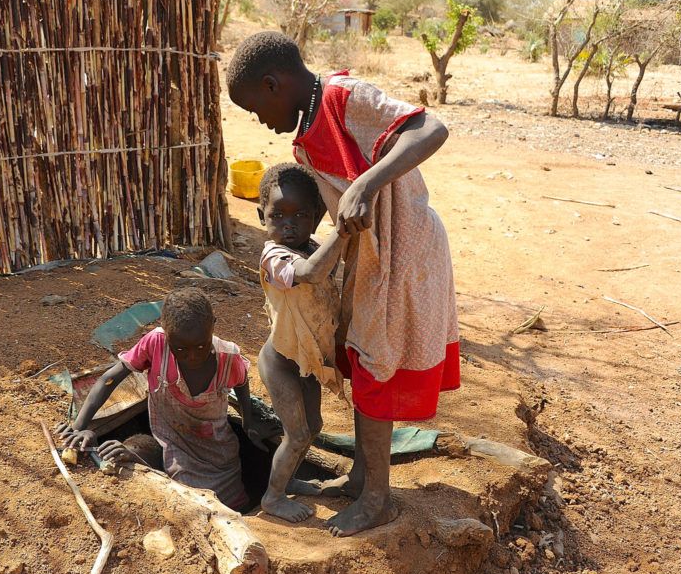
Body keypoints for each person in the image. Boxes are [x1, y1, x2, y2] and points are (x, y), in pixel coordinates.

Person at [227, 31, 461, 537]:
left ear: (273, 84)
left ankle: (378, 498)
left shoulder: (342, 98)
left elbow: (432, 129)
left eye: (254, 108)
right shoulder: (303, 143)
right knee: (363, 357)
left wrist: (366, 182)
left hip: (409, 250)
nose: (259, 121)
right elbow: (344, 227)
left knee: (376, 364)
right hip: (374, 260)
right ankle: (361, 478)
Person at [56, 288, 257, 511]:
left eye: (201, 346)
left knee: (234, 507)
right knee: (192, 506)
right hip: (173, 442)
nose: (192, 356)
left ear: (213, 327)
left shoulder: (228, 359)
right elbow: (108, 380)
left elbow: (242, 383)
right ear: (166, 333)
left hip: (218, 453)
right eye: (180, 349)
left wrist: (249, 422)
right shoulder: (155, 344)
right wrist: (79, 427)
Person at [256, 163, 349, 523]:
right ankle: (273, 497)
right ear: (261, 216)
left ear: (317, 217)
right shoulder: (274, 257)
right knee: (296, 435)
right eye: (277, 215)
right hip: (281, 362)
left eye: (301, 215)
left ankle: (290, 478)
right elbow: (310, 273)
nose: (288, 224)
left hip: (306, 361)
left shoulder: (311, 246)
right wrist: (342, 230)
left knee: (313, 427)